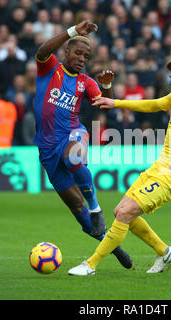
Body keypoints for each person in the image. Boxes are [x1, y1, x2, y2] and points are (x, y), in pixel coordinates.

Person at [68, 56, 171, 276]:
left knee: (124, 214)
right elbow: (152, 104)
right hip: (158, 169)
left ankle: (90, 264)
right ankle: (164, 252)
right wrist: (116, 102)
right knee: (120, 212)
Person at [33, 20, 132, 269]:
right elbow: (43, 50)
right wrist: (74, 31)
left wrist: (107, 86)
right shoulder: (49, 68)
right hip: (47, 150)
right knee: (81, 216)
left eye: (86, 56)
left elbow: (107, 105)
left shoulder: (85, 82)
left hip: (74, 134)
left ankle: (97, 207)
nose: (81, 59)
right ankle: (114, 247)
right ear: (66, 52)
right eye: (78, 53)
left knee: (74, 159)